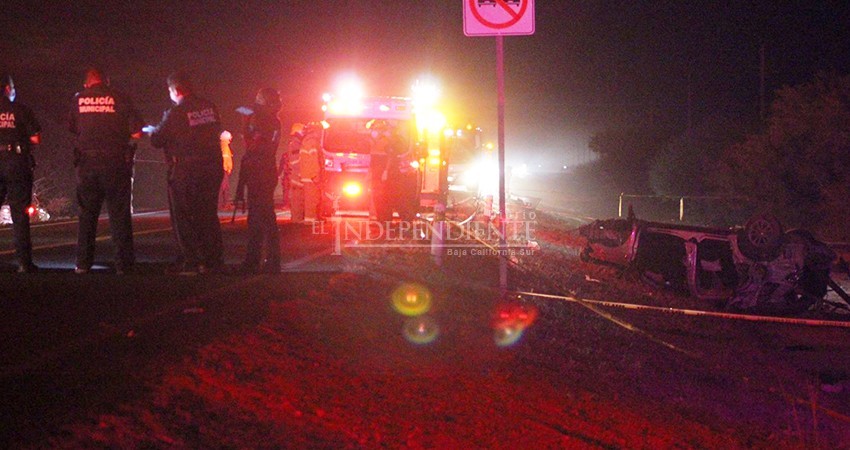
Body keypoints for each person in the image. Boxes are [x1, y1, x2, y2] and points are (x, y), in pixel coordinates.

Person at [148, 71, 225, 274]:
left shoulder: (176, 112)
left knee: (184, 218)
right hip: (212, 168)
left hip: (187, 170)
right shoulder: (210, 107)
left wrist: (154, 130)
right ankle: (213, 260)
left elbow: (157, 139)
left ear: (176, 90)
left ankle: (190, 261)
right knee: (208, 215)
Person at [68, 68, 144, 274]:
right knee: (119, 215)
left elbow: (73, 128)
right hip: (115, 163)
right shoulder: (120, 98)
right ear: (107, 82)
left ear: (87, 83)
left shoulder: (78, 100)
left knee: (87, 215)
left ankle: (83, 264)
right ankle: (123, 265)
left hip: (87, 164)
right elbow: (137, 132)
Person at [237, 88, 282, 273]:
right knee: (263, 218)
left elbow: (252, 147)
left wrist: (245, 127)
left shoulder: (262, 121)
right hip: (266, 171)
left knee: (260, 219)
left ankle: (259, 261)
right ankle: (267, 260)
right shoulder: (274, 121)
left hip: (259, 171)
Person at [0, 73, 41, 273]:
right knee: (19, 214)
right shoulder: (20, 110)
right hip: (15, 162)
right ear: (8, 89)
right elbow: (35, 138)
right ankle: (24, 263)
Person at [289, 122, 322, 222]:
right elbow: (296, 162)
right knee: (300, 201)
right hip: (298, 177)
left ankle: (298, 222)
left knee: (300, 202)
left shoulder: (300, 143)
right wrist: (306, 174)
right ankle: (302, 222)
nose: (304, 132)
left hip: (300, 176)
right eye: (303, 130)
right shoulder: (296, 144)